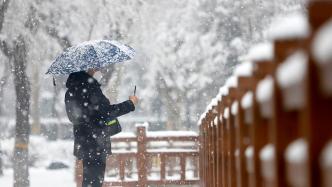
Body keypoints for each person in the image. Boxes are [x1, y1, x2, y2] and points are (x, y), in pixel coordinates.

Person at [64, 69, 138, 187]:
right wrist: (130, 104)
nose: (98, 69)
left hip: (83, 142)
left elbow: (73, 117)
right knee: (95, 181)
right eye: (96, 67)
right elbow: (106, 112)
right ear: (89, 67)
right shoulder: (91, 88)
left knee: (89, 180)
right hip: (96, 142)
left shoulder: (71, 90)